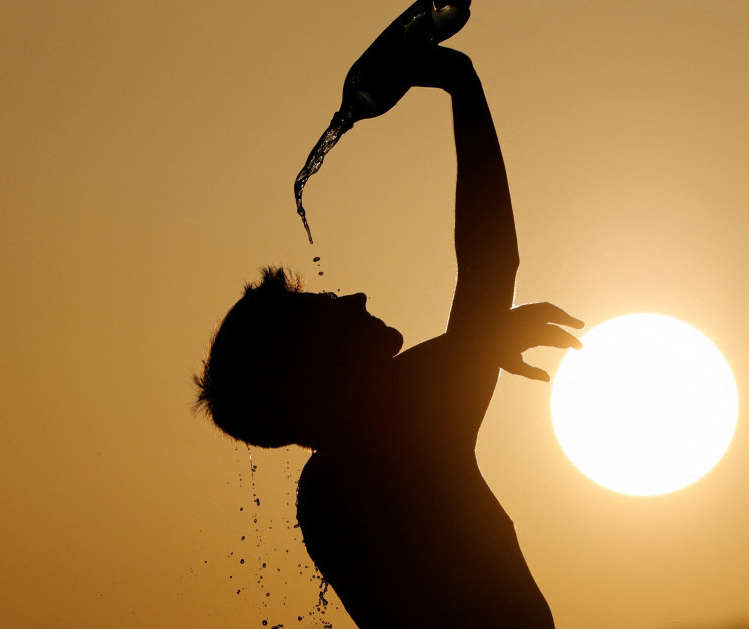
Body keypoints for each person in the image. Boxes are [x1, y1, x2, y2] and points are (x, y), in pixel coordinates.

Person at [195, 45, 581, 627]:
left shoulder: (337, 477)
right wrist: (460, 82)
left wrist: (475, 340)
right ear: (310, 368)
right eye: (323, 307)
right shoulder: (391, 443)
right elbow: (489, 263)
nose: (355, 298)